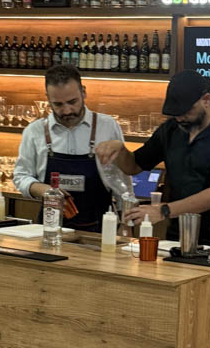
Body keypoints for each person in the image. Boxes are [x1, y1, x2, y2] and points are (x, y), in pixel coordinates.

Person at [95, 69, 210, 250]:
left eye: (186, 112)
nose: (180, 118)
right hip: (180, 235)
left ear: (206, 100)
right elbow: (135, 166)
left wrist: (163, 210)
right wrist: (120, 150)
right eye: (175, 114)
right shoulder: (171, 129)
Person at [12, 64, 130, 231]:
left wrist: (127, 223)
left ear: (83, 92)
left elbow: (123, 182)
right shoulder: (34, 131)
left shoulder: (107, 126)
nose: (67, 111)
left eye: (72, 102)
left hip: (100, 229)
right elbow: (21, 176)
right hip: (49, 229)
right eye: (58, 104)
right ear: (48, 98)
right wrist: (45, 190)